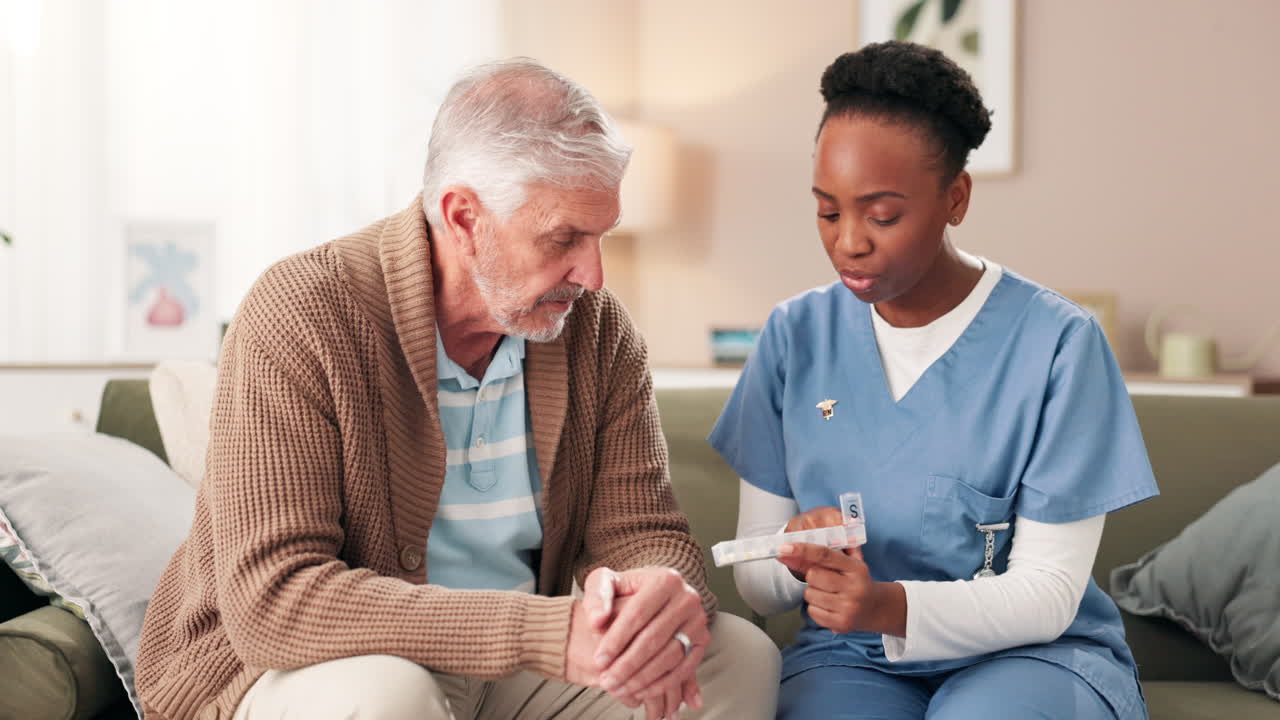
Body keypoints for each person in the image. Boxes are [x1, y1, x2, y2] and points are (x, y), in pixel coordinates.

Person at [135, 58, 778, 720]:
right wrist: (546, 634)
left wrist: (663, 591)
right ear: (463, 216)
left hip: (515, 668)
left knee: (734, 658)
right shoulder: (302, 312)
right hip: (306, 668)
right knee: (390, 695)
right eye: (564, 238)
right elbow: (275, 601)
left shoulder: (598, 331)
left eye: (601, 235)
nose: (593, 274)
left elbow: (643, 531)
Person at [708, 42, 1158, 720]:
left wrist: (888, 604)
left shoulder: (1060, 344)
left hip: (1031, 656)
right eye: (828, 211)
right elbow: (761, 585)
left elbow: (1047, 592)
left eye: (882, 214)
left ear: (956, 198)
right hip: (849, 655)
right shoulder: (794, 336)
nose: (849, 242)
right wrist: (795, 558)